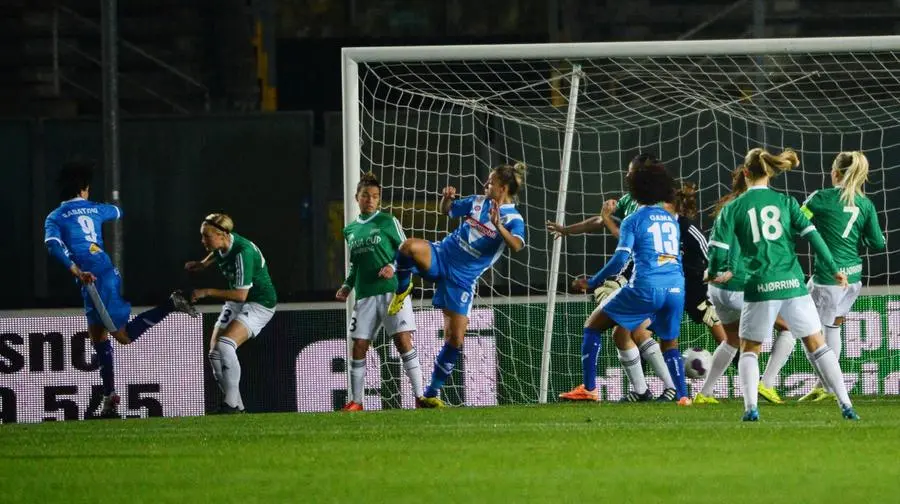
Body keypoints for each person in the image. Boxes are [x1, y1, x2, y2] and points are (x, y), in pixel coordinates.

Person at [707, 148, 858, 421]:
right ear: (770, 174)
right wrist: (835, 269)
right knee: (817, 344)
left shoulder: (733, 208)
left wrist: (715, 271)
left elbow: (717, 252)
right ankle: (846, 405)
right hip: (793, 284)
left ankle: (751, 408)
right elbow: (815, 238)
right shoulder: (786, 203)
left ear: (745, 173)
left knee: (750, 349)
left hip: (759, 285)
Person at [43, 161, 198, 419]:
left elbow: (53, 245)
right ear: (83, 189)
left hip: (94, 278)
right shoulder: (95, 209)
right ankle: (110, 401)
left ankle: (172, 303)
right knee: (98, 338)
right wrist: (107, 206)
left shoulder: (55, 217)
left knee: (123, 337)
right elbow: (117, 212)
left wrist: (76, 270)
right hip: (98, 276)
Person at [388, 162, 528, 408]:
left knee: (455, 339)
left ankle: (430, 394)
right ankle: (402, 290)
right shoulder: (477, 201)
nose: (486, 184)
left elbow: (517, 246)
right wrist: (446, 199)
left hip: (462, 280)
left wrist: (497, 225)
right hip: (442, 255)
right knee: (407, 247)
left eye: (491, 182)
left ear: (503, 187)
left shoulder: (513, 218)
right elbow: (448, 210)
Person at [552, 154, 680, 403]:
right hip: (660, 279)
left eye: (631, 172)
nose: (626, 175)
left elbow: (628, 244)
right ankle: (647, 391)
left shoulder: (658, 206)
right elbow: (601, 220)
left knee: (601, 327)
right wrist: (567, 230)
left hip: (646, 276)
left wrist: (595, 279)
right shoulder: (632, 201)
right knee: (624, 334)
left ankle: (594, 389)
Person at [694, 166, 795, 405]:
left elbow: (718, 245)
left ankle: (704, 394)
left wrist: (716, 270)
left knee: (731, 340)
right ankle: (766, 384)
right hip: (740, 285)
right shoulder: (754, 206)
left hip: (718, 289)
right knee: (789, 327)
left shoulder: (728, 206)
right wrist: (733, 270)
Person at [797, 151, 885, 402]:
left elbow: (798, 222)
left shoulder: (821, 199)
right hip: (854, 278)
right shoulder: (865, 204)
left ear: (834, 173)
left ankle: (828, 385)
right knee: (832, 326)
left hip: (828, 277)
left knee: (808, 331)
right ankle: (824, 385)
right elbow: (877, 242)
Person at [335, 172, 425, 411]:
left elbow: (406, 249)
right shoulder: (350, 230)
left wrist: (393, 266)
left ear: (379, 199)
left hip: (391, 292)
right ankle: (357, 401)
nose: (370, 200)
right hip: (365, 296)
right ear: (357, 197)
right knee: (358, 346)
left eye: (375, 196)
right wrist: (347, 285)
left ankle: (420, 396)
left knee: (403, 341)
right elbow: (355, 263)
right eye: (366, 196)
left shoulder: (387, 221)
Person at [185, 213, 277, 414]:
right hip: (238, 301)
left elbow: (241, 294)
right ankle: (237, 407)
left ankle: (231, 404)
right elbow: (217, 253)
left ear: (222, 235)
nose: (203, 241)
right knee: (215, 353)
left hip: (259, 303)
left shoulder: (242, 252)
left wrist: (206, 292)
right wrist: (203, 264)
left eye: (206, 237)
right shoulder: (223, 244)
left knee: (225, 346)